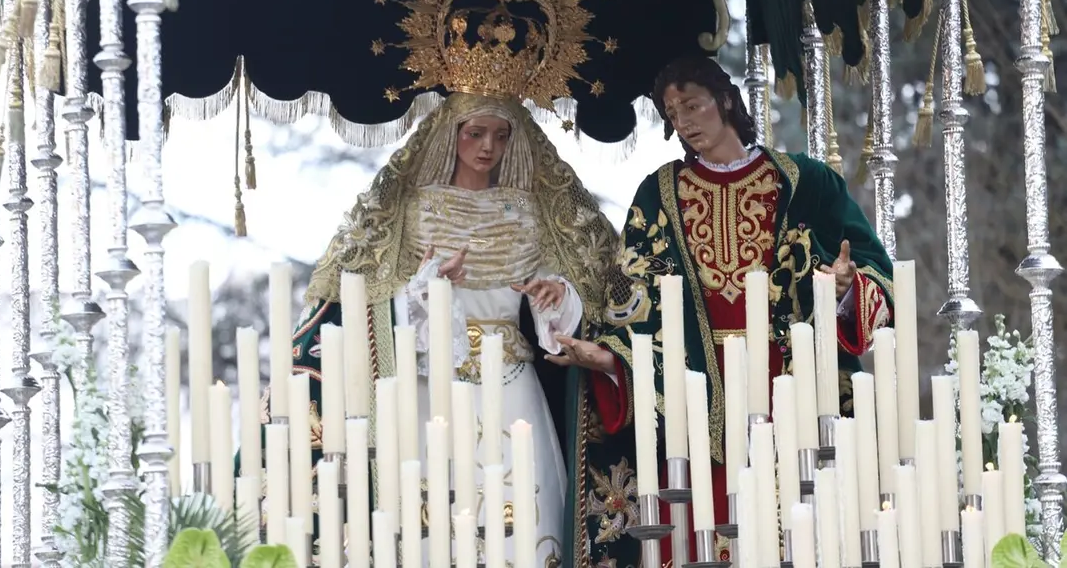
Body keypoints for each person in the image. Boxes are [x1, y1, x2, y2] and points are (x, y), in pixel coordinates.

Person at [551, 55, 894, 568]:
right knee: (697, 534)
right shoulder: (660, 194)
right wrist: (611, 357)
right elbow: (633, 295)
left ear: (726, 100)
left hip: (793, 390)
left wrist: (847, 286)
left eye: (692, 105)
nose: (684, 121)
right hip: (695, 400)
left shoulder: (807, 182)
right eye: (673, 113)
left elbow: (874, 266)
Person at [262, 90, 617, 565]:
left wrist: (556, 293)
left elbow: (569, 290)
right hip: (434, 383)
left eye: (500, 136)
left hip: (512, 377)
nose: (487, 147)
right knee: (434, 504)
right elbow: (374, 301)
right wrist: (426, 289)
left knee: (524, 501)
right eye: (475, 133)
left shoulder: (529, 212)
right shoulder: (414, 209)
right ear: (451, 135)